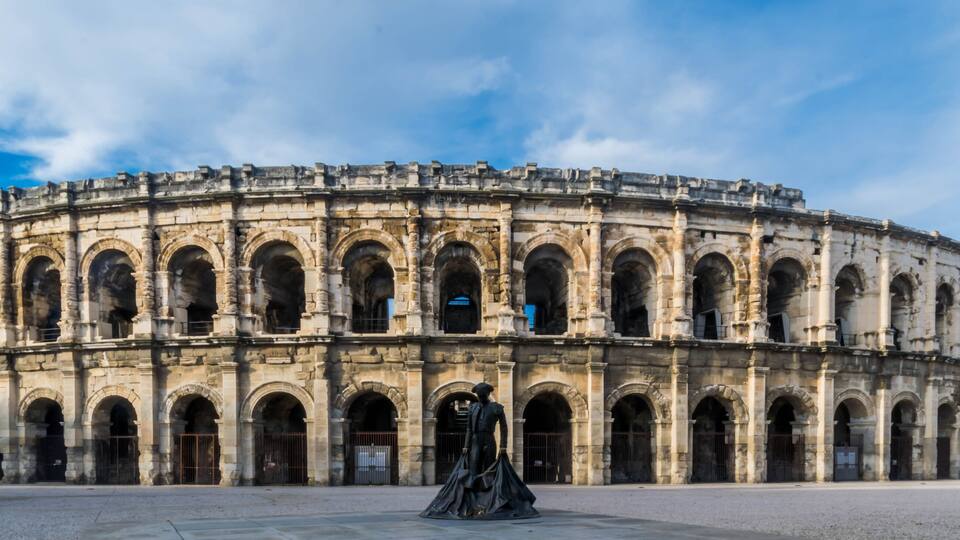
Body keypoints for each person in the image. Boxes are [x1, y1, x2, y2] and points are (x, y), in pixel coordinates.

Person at [420, 382, 538, 520]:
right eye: (479, 395)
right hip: (475, 440)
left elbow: (504, 428)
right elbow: (469, 428)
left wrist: (503, 446)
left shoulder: (497, 408)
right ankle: (473, 502)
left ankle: (488, 500)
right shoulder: (473, 408)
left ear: (488, 394)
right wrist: (466, 445)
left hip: (489, 438)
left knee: (489, 469)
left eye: (482, 395)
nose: (480, 397)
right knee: (474, 469)